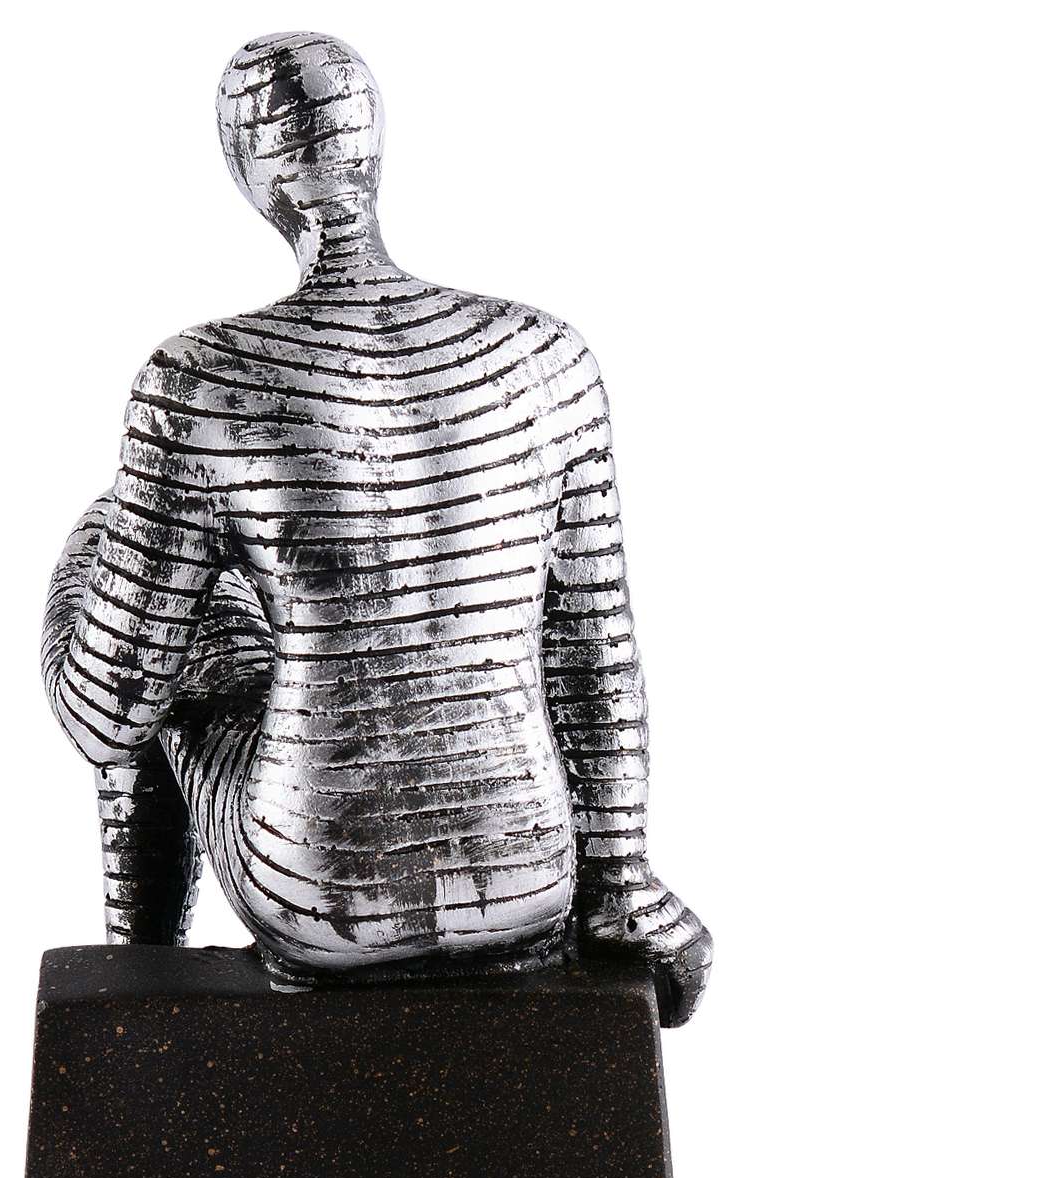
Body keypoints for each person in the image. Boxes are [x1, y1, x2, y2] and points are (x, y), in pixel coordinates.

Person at [41, 31, 711, 1023]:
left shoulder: (198, 379)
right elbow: (592, 655)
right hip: (533, 877)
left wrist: (119, 582)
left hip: (319, 892)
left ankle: (136, 983)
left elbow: (111, 715)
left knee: (112, 553)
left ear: (248, 171)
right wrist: (622, 881)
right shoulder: (548, 357)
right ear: (373, 144)